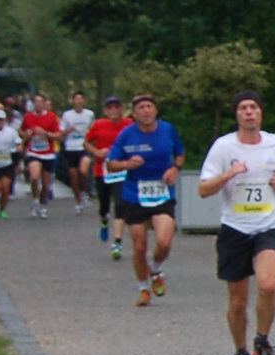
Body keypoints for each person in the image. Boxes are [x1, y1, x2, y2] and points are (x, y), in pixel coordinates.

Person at [199, 90, 275, 355]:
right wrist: (228, 174)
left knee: (268, 284)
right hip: (235, 227)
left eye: (253, 107)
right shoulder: (223, 147)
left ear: (261, 113)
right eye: (243, 108)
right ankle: (240, 352)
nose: (249, 112)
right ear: (236, 114)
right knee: (238, 301)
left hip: (269, 223)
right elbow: (203, 189)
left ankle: (262, 339)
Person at [105, 93, 185, 306]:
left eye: (150, 106)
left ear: (155, 110)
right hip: (135, 195)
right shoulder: (126, 135)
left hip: (162, 193)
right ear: (134, 113)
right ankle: (143, 289)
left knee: (164, 242)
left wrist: (175, 168)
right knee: (139, 247)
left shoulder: (167, 130)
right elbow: (110, 164)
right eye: (141, 107)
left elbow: (180, 154)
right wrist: (126, 165)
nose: (146, 110)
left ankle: (156, 269)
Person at [86, 97, 133, 257]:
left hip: (121, 170)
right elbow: (86, 142)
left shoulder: (129, 125)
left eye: (116, 107)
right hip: (102, 170)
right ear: (106, 111)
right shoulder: (99, 125)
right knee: (104, 206)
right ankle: (104, 221)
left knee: (120, 204)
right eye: (110, 108)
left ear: (121, 109)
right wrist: (96, 152)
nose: (114, 111)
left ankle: (117, 242)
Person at [21, 94, 63, 218]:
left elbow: (59, 136)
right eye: (36, 101)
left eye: (41, 102)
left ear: (44, 104)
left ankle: (42, 205)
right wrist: (26, 134)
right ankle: (34, 200)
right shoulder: (28, 117)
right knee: (34, 177)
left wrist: (45, 133)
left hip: (48, 154)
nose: (38, 104)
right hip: (33, 152)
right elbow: (21, 131)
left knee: (45, 184)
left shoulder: (51, 117)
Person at [60, 91, 96, 211]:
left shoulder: (89, 114)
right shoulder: (67, 115)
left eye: (81, 99)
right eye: (76, 99)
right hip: (71, 148)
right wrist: (68, 131)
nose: (79, 101)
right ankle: (78, 200)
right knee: (74, 177)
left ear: (84, 101)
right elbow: (61, 133)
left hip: (84, 147)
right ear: (73, 101)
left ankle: (85, 192)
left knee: (84, 171)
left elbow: (94, 129)